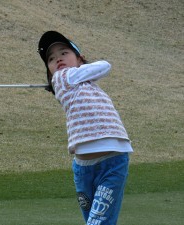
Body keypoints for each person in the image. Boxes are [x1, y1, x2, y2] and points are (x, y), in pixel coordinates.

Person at [37, 31, 133, 225]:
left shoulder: (84, 83)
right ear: (50, 71)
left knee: (97, 222)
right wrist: (73, 71)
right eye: (51, 58)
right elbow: (104, 66)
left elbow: (105, 66)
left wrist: (80, 71)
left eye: (64, 53)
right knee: (95, 221)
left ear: (79, 58)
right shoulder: (63, 77)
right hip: (84, 167)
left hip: (113, 161)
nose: (58, 59)